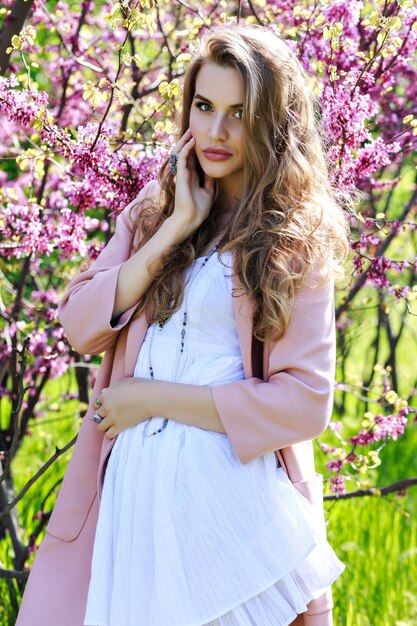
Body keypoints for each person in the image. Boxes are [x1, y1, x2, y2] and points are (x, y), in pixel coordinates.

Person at [16, 23, 350, 626]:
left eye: (238, 114)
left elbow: (305, 404)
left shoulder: (295, 239)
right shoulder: (156, 211)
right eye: (204, 107)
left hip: (227, 502)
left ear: (271, 123)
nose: (215, 133)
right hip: (132, 502)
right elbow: (79, 325)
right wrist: (174, 229)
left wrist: (152, 399)